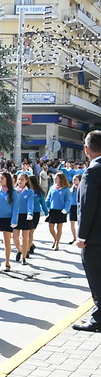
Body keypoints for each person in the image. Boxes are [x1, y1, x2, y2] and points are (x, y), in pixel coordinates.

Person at [73, 131, 101, 331]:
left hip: (95, 238)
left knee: (97, 278)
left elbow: (86, 206)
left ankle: (98, 318)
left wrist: (81, 236)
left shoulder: (92, 171)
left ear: (86, 149)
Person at [0, 172, 20, 272]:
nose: (0, 180)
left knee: (6, 241)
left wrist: (14, 220)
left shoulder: (13, 192)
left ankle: (7, 262)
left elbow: (15, 207)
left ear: (7, 179)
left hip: (7, 218)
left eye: (2, 178)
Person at [13, 173, 35, 265]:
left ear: (26, 181)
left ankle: (24, 257)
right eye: (19, 179)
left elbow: (30, 204)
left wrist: (30, 213)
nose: (20, 181)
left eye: (22, 179)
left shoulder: (29, 192)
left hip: (25, 216)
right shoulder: (14, 191)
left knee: (25, 238)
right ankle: (20, 250)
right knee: (15, 238)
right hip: (16, 216)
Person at [45, 172, 71, 250]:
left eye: (56, 178)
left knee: (59, 228)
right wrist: (46, 207)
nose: (54, 179)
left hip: (61, 210)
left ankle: (57, 244)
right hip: (52, 210)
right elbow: (48, 198)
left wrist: (66, 209)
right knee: (51, 227)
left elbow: (68, 200)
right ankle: (56, 239)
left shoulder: (66, 189)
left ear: (61, 179)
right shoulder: (52, 188)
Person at [69, 174, 81, 244]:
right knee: (72, 223)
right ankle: (74, 237)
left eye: (75, 179)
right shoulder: (71, 188)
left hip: (79, 206)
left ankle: (80, 237)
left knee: (79, 223)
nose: (73, 181)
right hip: (72, 206)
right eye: (73, 179)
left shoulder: (81, 188)